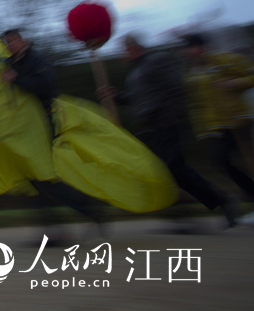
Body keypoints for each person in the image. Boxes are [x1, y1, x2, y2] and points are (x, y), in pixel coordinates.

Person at [101, 33, 238, 227]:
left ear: (131, 48)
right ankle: (189, 214)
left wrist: (167, 114)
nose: (120, 56)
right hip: (154, 127)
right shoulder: (137, 71)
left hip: (167, 123)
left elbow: (176, 88)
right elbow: (140, 98)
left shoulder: (156, 61)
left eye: (122, 51)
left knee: (173, 168)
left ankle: (219, 202)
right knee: (167, 171)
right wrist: (116, 96)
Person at [1, 30, 104, 240]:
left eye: (12, 40)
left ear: (24, 40)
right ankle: (53, 228)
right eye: (6, 42)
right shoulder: (11, 64)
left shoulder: (36, 60)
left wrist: (16, 79)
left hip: (45, 123)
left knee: (44, 177)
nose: (9, 45)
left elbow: (47, 86)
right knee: (34, 177)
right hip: (25, 128)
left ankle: (88, 211)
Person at [180, 33, 254, 223]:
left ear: (204, 46)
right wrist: (200, 129)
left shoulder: (226, 60)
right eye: (186, 48)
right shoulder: (190, 72)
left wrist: (235, 82)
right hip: (215, 126)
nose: (188, 51)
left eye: (192, 47)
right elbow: (195, 104)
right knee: (219, 161)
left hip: (237, 119)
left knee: (246, 161)